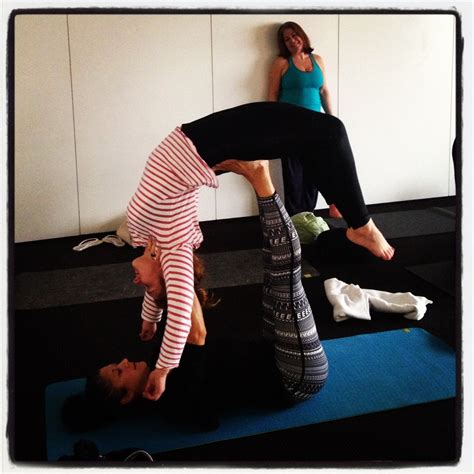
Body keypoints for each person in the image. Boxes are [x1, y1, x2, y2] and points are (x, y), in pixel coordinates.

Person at [126, 101, 395, 403]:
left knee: (310, 137)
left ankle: (339, 200)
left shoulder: (150, 241)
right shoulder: (174, 250)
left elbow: (159, 291)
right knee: (329, 131)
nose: (137, 282)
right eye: (147, 285)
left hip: (192, 144)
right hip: (200, 146)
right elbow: (179, 311)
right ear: (165, 271)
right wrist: (163, 369)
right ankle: (360, 224)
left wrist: (149, 319)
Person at [62, 163, 329, 432]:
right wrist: (170, 262)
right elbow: (197, 333)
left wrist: (160, 277)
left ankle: (256, 175)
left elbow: (182, 307)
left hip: (271, 348)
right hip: (295, 376)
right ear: (127, 397)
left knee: (273, 264)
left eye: (115, 364)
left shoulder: (159, 363)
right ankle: (259, 176)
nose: (123, 362)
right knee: (285, 267)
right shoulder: (171, 403)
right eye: (119, 372)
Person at [268, 21, 341, 219]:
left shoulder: (318, 60)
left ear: (302, 35)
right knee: (293, 174)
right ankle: (296, 219)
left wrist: (332, 120)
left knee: (314, 172)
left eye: (294, 35)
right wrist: (273, 125)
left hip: (316, 126)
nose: (292, 40)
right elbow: (272, 95)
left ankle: (309, 215)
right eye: (287, 39)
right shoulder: (281, 63)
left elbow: (324, 91)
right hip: (290, 126)